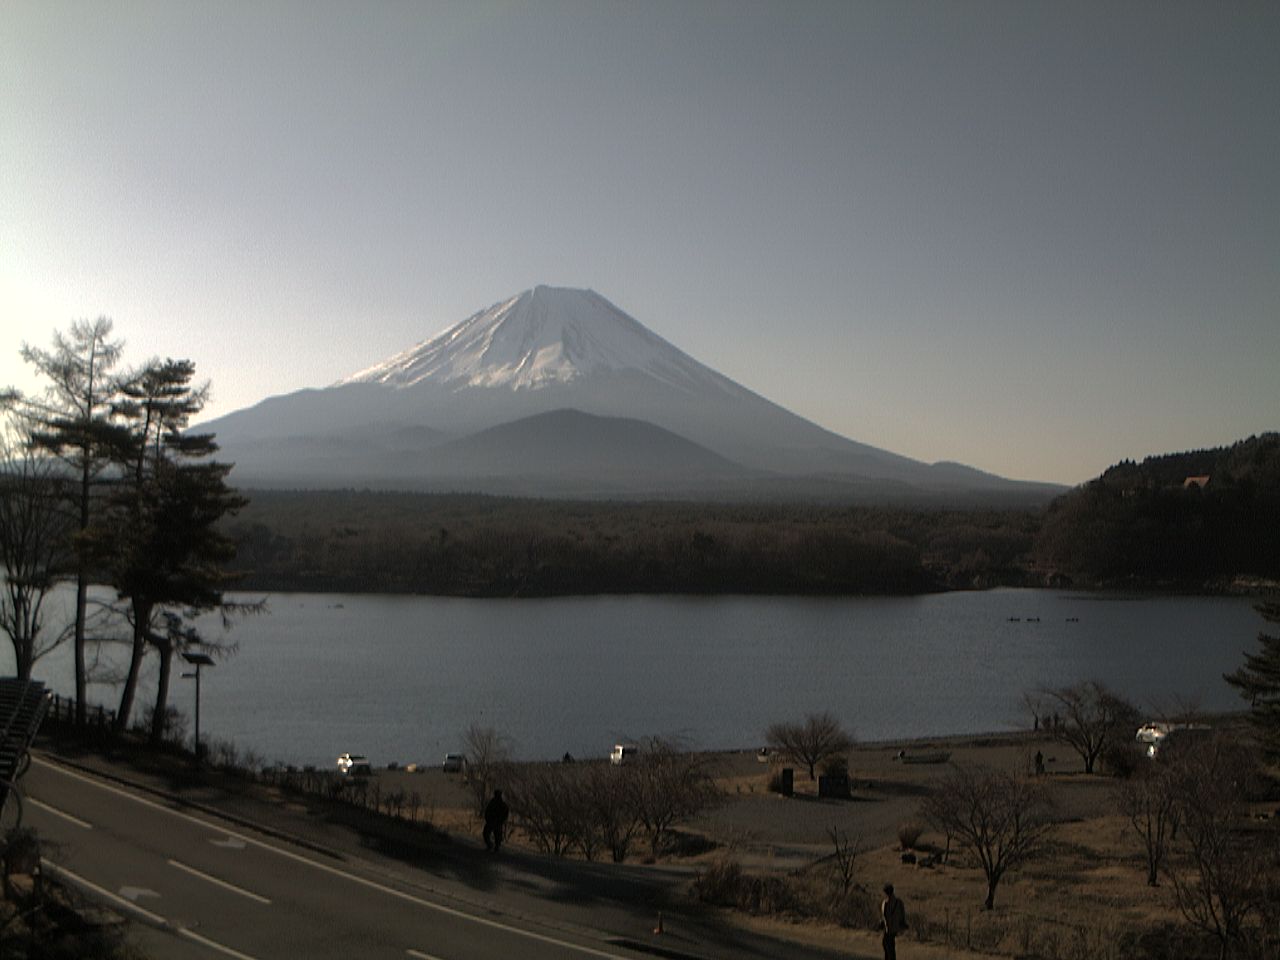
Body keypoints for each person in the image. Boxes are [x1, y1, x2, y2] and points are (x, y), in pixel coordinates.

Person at [880, 882, 908, 960]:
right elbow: (902, 915)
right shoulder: (899, 902)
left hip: (888, 929)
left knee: (887, 949)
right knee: (891, 949)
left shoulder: (885, 903)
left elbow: (884, 917)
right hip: (895, 928)